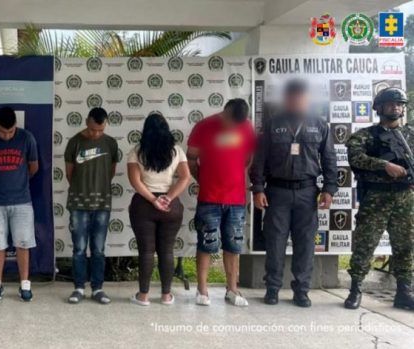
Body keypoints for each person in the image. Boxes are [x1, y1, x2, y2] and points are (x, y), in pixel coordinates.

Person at [250, 80, 337, 308]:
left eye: (301, 97)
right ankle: (272, 288)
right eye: (292, 97)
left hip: (308, 193)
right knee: (275, 242)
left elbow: (329, 159)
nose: (296, 101)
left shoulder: (319, 125)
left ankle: (302, 290)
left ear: (307, 99)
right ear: (286, 99)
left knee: (306, 243)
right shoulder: (272, 125)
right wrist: (258, 189)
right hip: (277, 192)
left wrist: (329, 189)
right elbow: (259, 160)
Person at [344, 87, 414, 311]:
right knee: (365, 245)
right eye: (391, 103)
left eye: (399, 103)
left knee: (406, 246)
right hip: (376, 198)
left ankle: (404, 291)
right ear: (379, 107)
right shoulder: (365, 135)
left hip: (405, 198)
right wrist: (385, 165)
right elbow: (355, 157)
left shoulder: (410, 135)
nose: (396, 107)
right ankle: (355, 289)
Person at [187, 98, 256, 307]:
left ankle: (232, 290)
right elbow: (191, 159)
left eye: (236, 124)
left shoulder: (247, 128)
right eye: (228, 121)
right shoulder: (204, 126)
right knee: (207, 244)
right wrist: (204, 179)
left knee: (233, 245)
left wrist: (238, 175)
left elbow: (249, 157)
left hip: (236, 199)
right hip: (209, 197)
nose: (231, 126)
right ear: (224, 111)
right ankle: (202, 290)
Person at [128, 113, 191, 306]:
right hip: (170, 206)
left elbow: (135, 181)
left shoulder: (137, 152)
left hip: (144, 205)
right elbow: (185, 177)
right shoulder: (176, 151)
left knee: (146, 252)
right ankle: (166, 296)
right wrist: (169, 197)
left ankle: (143, 296)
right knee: (167, 251)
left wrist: (153, 200)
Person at [0, 107, 39, 302]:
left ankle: (24, 285)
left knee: (23, 243)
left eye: (10, 132)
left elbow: (33, 167)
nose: (6, 135)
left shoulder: (27, 138)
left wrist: (17, 182)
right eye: (3, 132)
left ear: (16, 127)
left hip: (22, 202)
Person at [64, 107, 119, 305]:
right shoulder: (74, 142)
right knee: (79, 248)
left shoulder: (111, 143)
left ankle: (98, 288)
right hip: (78, 204)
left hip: (102, 204)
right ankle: (79, 287)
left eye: (101, 130)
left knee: (98, 248)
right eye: (94, 129)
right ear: (87, 121)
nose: (97, 134)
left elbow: (111, 172)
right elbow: (69, 174)